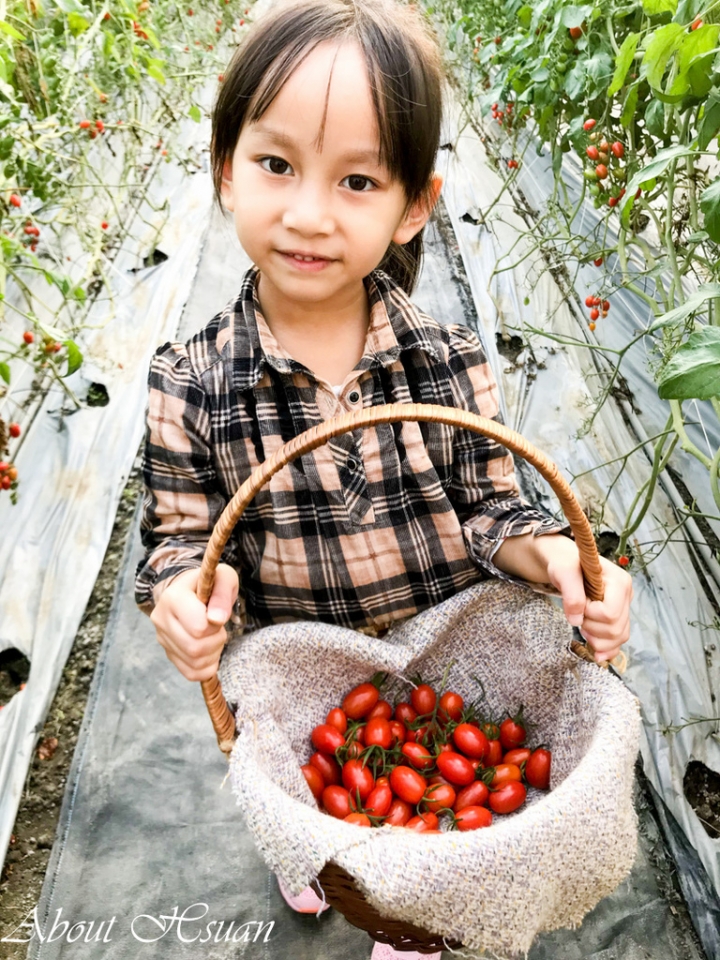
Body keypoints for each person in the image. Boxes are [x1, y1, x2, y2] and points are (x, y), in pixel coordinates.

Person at [135, 0, 632, 955]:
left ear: (415, 205)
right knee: (311, 812)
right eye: (277, 164)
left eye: (357, 179)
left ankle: (406, 911)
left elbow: (497, 501)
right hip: (306, 693)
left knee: (411, 870)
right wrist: (183, 598)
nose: (310, 214)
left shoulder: (445, 360)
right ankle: (312, 844)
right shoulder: (188, 381)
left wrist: (567, 561)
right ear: (223, 169)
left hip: (447, 677)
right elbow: (181, 539)